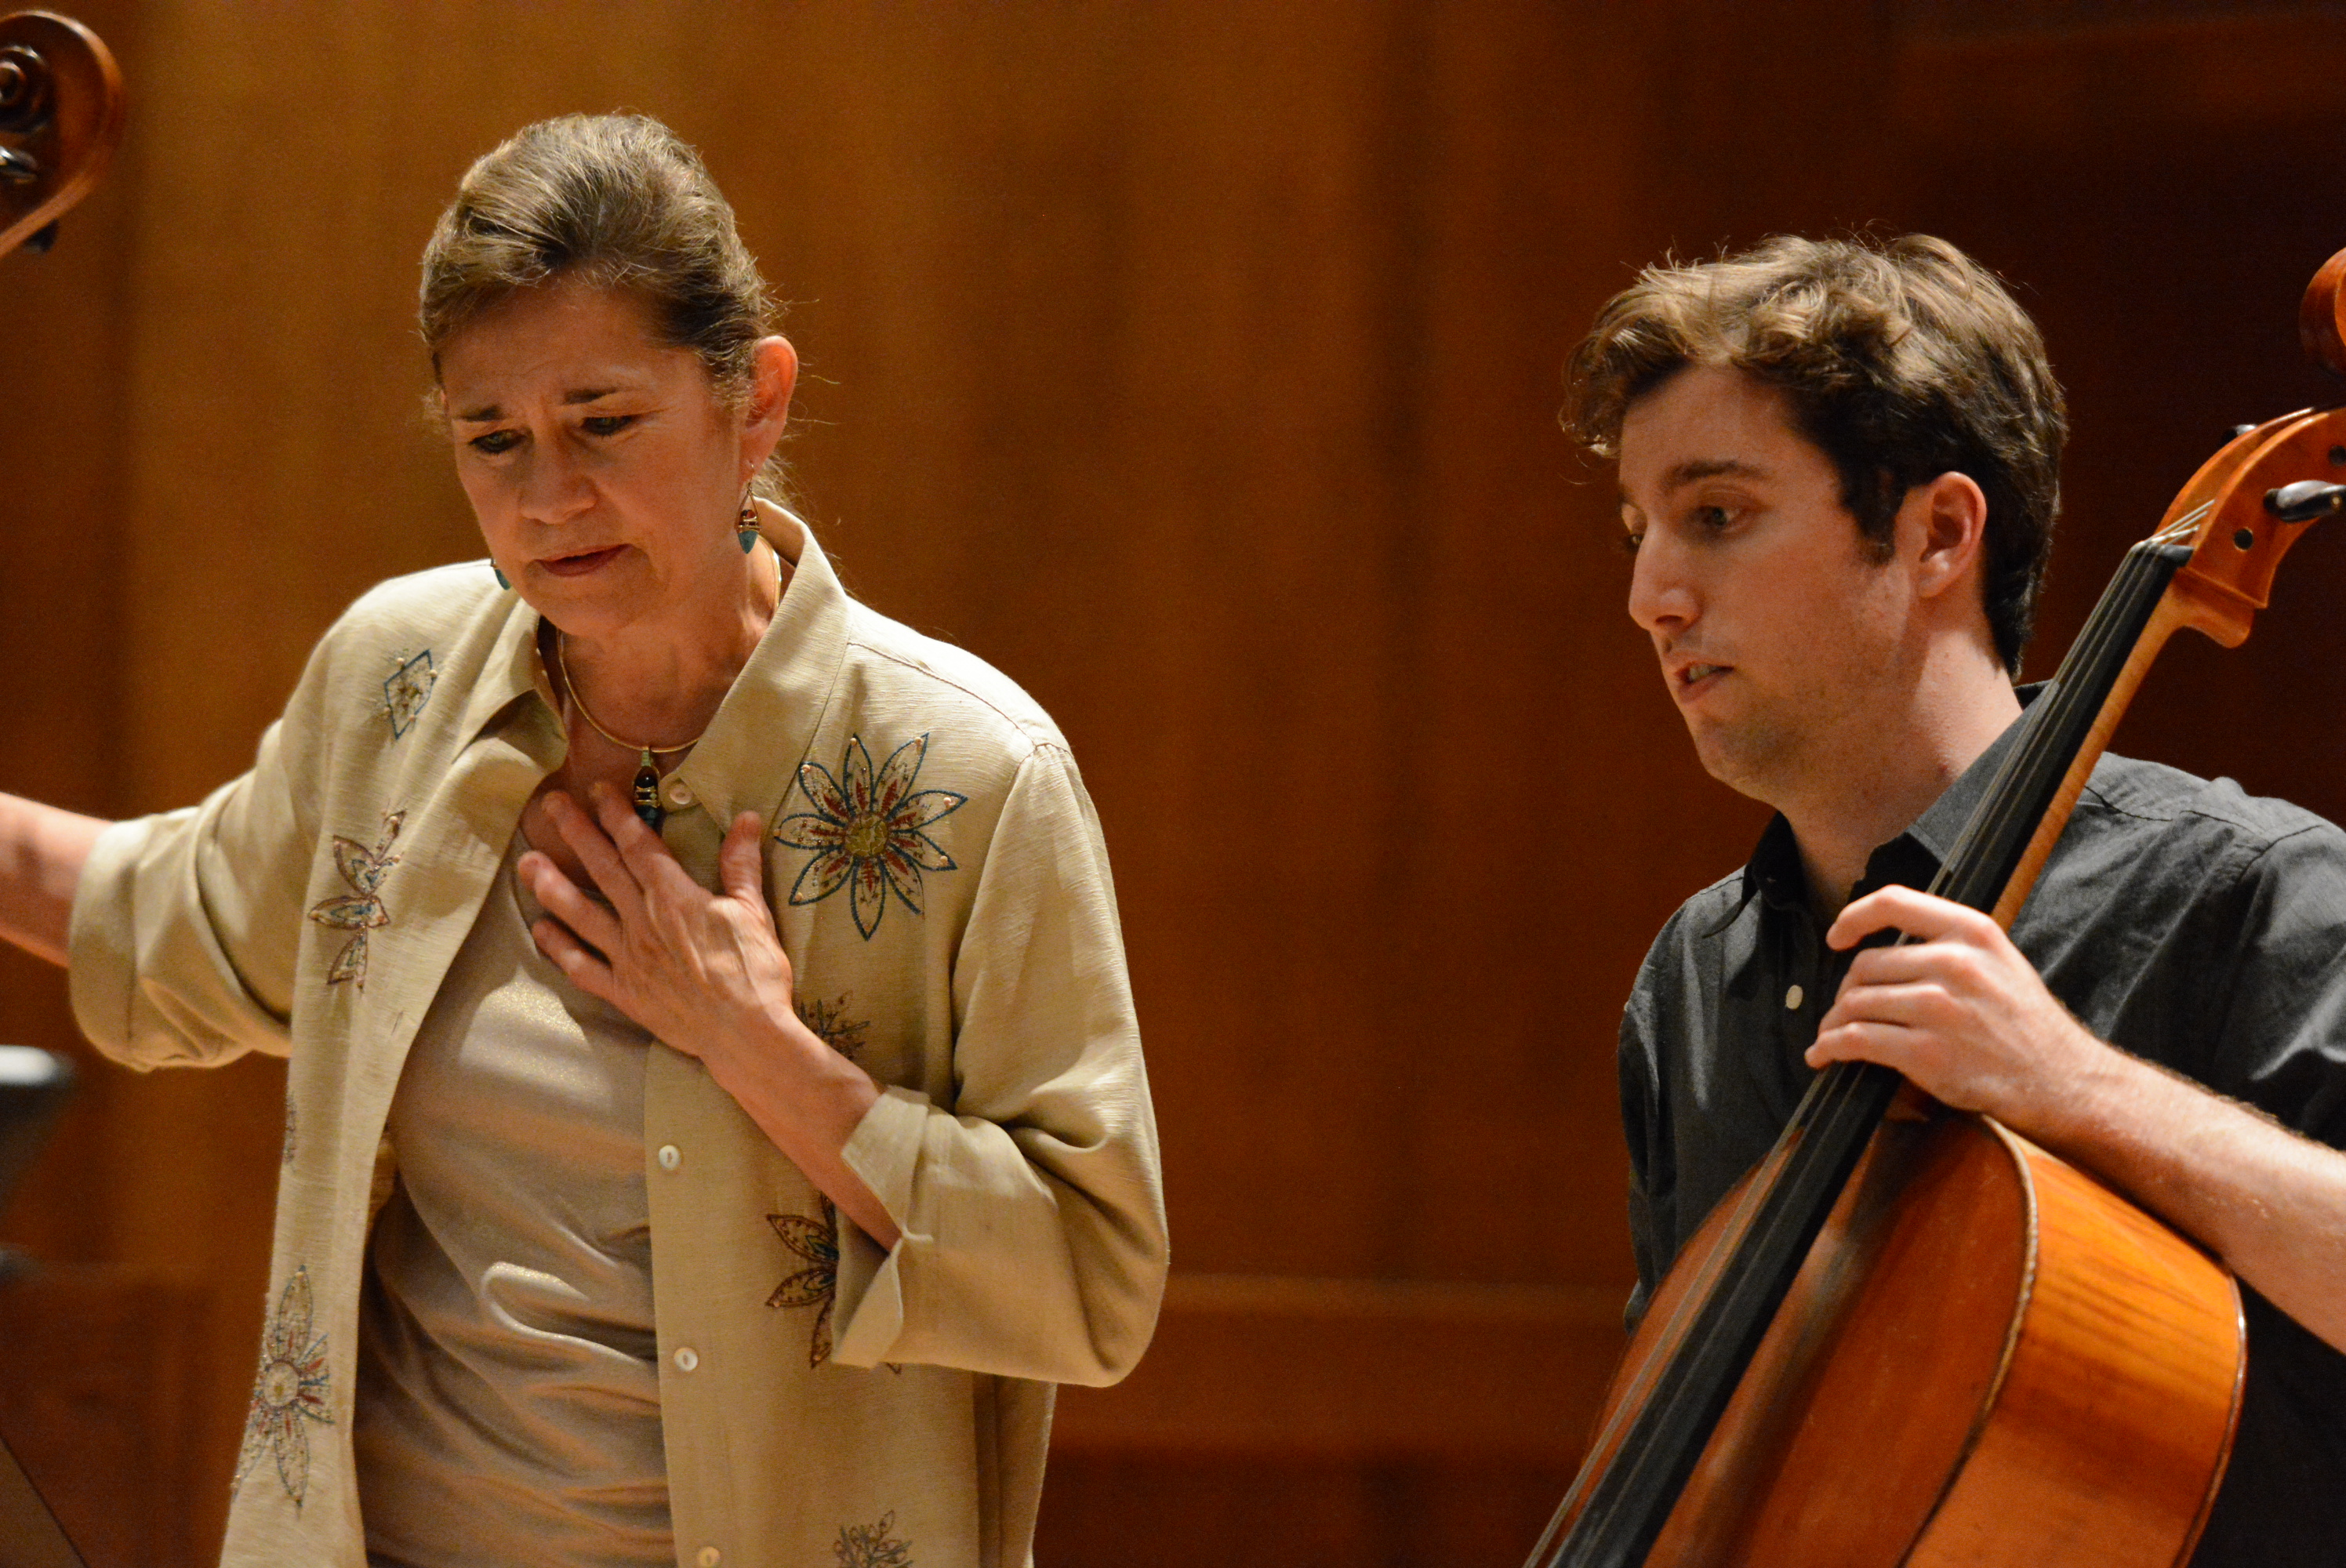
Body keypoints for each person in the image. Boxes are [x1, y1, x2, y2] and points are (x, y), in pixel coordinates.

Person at [0, 114, 1166, 1567]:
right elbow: (174, 920)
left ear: (754, 401)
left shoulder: (971, 775)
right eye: (494, 440)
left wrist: (760, 1050)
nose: (548, 499)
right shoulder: (398, 680)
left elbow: (1090, 1284)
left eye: (603, 423)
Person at [1564, 233, 2346, 1566]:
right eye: (1639, 534)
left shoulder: (2246, 894)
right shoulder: (1697, 975)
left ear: (1936, 533)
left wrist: (2074, 1087)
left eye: (1718, 516)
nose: (1653, 598)